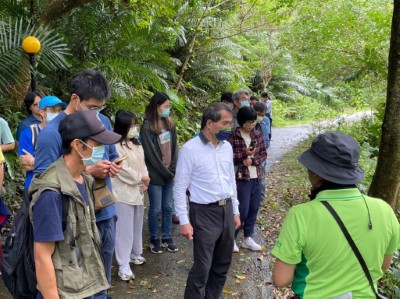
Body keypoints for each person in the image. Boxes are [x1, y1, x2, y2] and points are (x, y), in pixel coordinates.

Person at [272, 132, 399, 298]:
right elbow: (383, 265)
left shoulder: (300, 215)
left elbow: (281, 279)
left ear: (315, 172)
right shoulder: (384, 210)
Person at [33, 69, 120, 298]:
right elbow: (41, 184)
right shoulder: (52, 136)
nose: (98, 113)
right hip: (65, 238)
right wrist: (90, 169)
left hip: (96, 217)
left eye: (100, 108)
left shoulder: (99, 124)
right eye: (93, 107)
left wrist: (97, 171)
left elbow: (105, 156)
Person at [174, 102, 241, 299]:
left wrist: (235, 210)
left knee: (222, 263)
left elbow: (231, 181)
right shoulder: (190, 149)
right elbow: (179, 187)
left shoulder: (226, 147)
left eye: (231, 123)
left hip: (226, 209)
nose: (229, 128)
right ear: (210, 123)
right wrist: (184, 221)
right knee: (202, 266)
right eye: (225, 123)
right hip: (203, 212)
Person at [112, 110, 150, 281]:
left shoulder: (137, 144)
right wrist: (140, 178)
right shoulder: (115, 145)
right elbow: (121, 169)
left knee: (136, 224)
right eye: (131, 125)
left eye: (135, 124)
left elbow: (143, 165)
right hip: (122, 192)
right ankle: (123, 264)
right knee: (124, 229)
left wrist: (145, 181)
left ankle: (135, 253)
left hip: (137, 191)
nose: (134, 128)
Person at [140, 91, 178, 254]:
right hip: (155, 174)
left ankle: (167, 237)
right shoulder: (147, 127)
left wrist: (173, 169)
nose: (168, 109)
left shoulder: (170, 123)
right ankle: (154, 238)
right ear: (157, 106)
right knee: (155, 208)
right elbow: (151, 155)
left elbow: (175, 148)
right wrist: (166, 172)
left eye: (169, 106)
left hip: (170, 173)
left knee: (168, 207)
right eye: (166, 106)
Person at [228, 107, 267, 252]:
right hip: (241, 177)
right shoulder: (233, 137)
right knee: (242, 209)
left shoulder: (257, 134)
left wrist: (254, 161)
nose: (252, 125)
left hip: (256, 176)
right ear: (242, 122)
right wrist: (243, 157)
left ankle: (248, 237)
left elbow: (263, 153)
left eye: (254, 122)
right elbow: (228, 157)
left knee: (254, 207)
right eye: (250, 122)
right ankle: (231, 238)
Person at [18, 95, 66, 190]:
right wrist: (57, 164)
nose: (57, 114)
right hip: (34, 186)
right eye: (53, 110)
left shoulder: (65, 133)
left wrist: (33, 161)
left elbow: (69, 164)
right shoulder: (29, 133)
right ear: (42, 112)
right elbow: (26, 165)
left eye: (60, 111)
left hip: (61, 186)